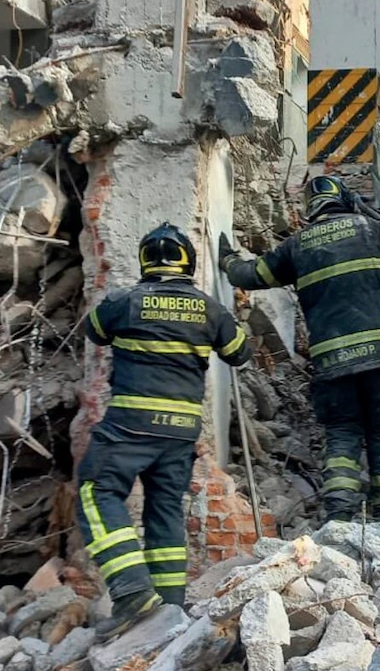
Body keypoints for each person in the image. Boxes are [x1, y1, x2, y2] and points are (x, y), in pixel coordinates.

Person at [220, 175, 380, 521]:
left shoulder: (297, 246)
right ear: (345, 199)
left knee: (343, 433)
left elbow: (249, 275)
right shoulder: (371, 228)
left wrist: (226, 257)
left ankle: (340, 512)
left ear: (310, 209)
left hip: (334, 361)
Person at [80, 223, 253, 639]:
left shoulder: (125, 300)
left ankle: (131, 591)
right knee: (164, 509)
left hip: (130, 425)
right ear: (188, 263)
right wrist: (235, 316)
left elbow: (94, 330)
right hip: (180, 431)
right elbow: (240, 354)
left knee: (96, 490)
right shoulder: (209, 308)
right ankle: (170, 608)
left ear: (144, 261)